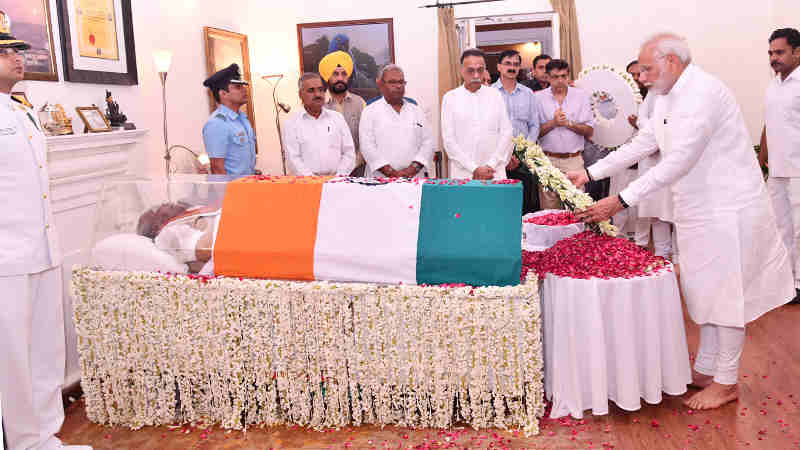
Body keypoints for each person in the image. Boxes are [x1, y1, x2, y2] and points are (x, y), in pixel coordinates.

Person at [567, 33, 794, 410]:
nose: (641, 77)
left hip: (725, 207)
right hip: (693, 206)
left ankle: (726, 381)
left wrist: (620, 200)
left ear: (672, 61)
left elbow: (680, 159)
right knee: (700, 287)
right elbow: (644, 143)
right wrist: (590, 174)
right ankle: (707, 368)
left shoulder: (704, 92)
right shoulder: (662, 94)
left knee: (725, 294)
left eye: (647, 69)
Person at [0, 12, 92, 450]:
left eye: (17, 49)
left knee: (44, 352)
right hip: (5, 257)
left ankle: (43, 440)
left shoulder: (21, 108)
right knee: (13, 359)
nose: (18, 57)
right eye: (5, 51)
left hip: (41, 248)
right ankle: (21, 441)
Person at [761, 28, 800, 302]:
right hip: (776, 170)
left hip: (799, 170)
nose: (773, 58)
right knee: (779, 227)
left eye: (779, 52)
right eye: (771, 53)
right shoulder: (773, 84)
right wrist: (762, 152)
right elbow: (770, 121)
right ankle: (786, 283)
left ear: (797, 52)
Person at [624, 59, 674, 257]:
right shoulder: (652, 94)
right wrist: (647, 127)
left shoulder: (677, 94)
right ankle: (662, 258)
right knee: (656, 214)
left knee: (674, 217)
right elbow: (645, 120)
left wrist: (649, 127)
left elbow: (670, 125)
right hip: (650, 159)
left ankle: (676, 260)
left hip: (670, 158)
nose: (641, 78)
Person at [441, 48, 513, 180]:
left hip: (494, 172)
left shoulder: (495, 95)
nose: (475, 75)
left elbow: (506, 133)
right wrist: (473, 168)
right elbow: (449, 140)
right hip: (463, 173)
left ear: (485, 70)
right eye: (470, 70)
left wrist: (491, 164)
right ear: (461, 71)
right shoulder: (450, 98)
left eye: (480, 70)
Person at [536, 59, 594, 209]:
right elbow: (534, 133)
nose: (560, 81)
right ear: (547, 77)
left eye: (563, 76)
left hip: (574, 160)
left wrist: (569, 123)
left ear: (568, 76)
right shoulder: (537, 98)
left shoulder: (581, 96)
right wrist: (553, 123)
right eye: (555, 77)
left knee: (578, 208)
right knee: (549, 211)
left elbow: (589, 130)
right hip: (547, 160)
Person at [359, 64, 434, 178]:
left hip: (413, 178)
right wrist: (392, 173)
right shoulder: (369, 112)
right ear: (381, 84)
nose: (398, 86)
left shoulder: (416, 110)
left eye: (401, 82)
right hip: (381, 179)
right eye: (392, 82)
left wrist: (411, 170)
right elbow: (367, 146)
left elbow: (428, 142)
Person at [492, 49, 542, 213]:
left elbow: (534, 125)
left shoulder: (528, 94)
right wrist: (504, 155)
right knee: (500, 206)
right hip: (497, 160)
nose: (512, 67)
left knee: (525, 206)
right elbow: (487, 130)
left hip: (523, 160)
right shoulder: (489, 94)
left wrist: (522, 152)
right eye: (507, 63)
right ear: (499, 67)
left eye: (516, 64)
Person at [283, 73, 356, 176]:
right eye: (311, 91)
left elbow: (349, 152)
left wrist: (338, 177)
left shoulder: (337, 118)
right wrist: (313, 180)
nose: (317, 94)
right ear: (300, 95)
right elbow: (293, 159)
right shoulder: (291, 123)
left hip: (337, 182)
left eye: (321, 89)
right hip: (307, 184)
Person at [201, 63, 256, 177]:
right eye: (238, 87)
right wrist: (229, 194)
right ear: (223, 94)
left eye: (243, 86)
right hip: (233, 190)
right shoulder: (217, 123)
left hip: (248, 185)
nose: (244, 90)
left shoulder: (242, 119)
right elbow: (217, 168)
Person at [319, 51, 367, 176]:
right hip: (328, 174)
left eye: (344, 74)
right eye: (335, 74)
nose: (340, 78)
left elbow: (367, 139)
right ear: (327, 77)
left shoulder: (360, 103)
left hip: (358, 170)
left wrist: (352, 165)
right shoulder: (320, 105)